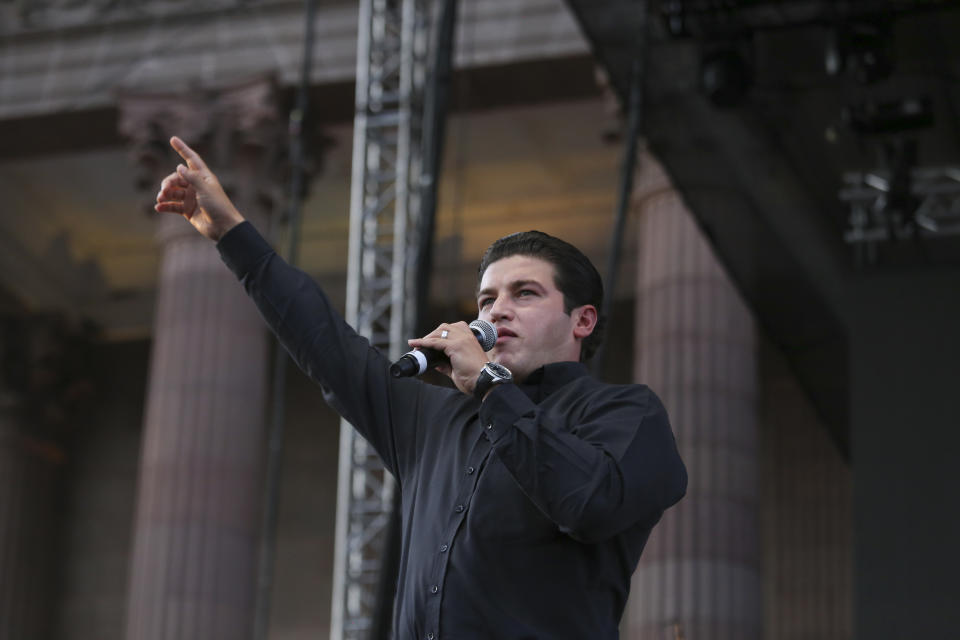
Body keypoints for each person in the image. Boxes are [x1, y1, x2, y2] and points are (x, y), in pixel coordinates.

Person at [156, 136, 687, 639]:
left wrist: (490, 384)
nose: (497, 309)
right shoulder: (436, 419)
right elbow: (328, 347)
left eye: (524, 293)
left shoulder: (625, 414)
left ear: (583, 321)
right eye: (486, 299)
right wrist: (232, 233)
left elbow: (587, 504)